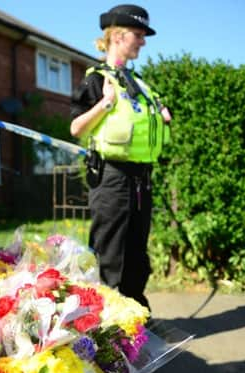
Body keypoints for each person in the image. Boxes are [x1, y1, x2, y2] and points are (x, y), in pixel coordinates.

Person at [70, 4, 171, 309]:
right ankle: (108, 321)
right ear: (116, 35)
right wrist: (104, 104)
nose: (143, 41)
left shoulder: (139, 84)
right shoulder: (97, 79)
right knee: (110, 252)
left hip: (141, 176)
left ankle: (136, 315)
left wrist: (161, 114)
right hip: (112, 176)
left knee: (137, 251)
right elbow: (76, 127)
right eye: (138, 35)